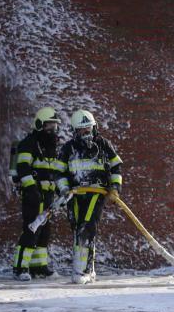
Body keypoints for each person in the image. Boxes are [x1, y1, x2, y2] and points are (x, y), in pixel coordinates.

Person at [56, 110, 123, 284]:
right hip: (75, 194)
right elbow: (59, 172)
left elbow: (116, 167)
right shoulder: (68, 148)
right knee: (79, 229)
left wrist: (115, 188)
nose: (87, 133)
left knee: (87, 227)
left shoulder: (103, 145)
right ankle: (89, 270)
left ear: (95, 128)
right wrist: (63, 189)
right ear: (75, 131)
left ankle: (81, 271)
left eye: (89, 129)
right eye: (82, 130)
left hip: (96, 193)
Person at [12, 107, 62, 281]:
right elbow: (23, 167)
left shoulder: (51, 146)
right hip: (33, 194)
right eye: (50, 125)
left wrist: (59, 189)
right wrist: (31, 189)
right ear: (40, 124)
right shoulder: (29, 143)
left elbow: (54, 170)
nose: (53, 129)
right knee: (31, 230)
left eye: (55, 126)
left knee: (44, 231)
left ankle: (39, 267)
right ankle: (20, 268)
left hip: (48, 196)